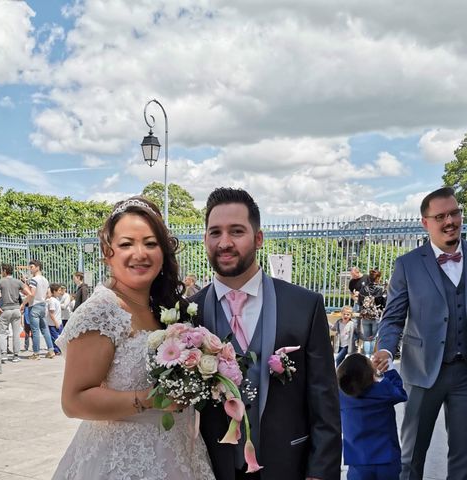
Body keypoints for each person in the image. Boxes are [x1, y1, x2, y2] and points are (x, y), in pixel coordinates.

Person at [53, 196, 214, 479]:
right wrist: (152, 400)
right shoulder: (101, 310)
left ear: (163, 251)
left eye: (150, 243)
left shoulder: (162, 307)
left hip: (178, 451)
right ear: (108, 252)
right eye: (127, 244)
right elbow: (74, 400)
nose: (140, 254)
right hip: (123, 461)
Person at [191, 187, 341, 480]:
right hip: (214, 469)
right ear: (205, 239)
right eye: (215, 232)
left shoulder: (304, 305)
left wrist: (321, 470)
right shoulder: (188, 313)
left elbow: (325, 398)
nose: (224, 242)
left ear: (258, 238)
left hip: (288, 465)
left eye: (236, 231)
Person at [372, 187, 467, 480]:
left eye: (454, 213)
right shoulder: (407, 264)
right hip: (422, 372)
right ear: (426, 222)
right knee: (410, 456)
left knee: (465, 456)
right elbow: (393, 317)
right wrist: (385, 349)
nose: (449, 221)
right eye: (440, 216)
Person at [338, 353, 407, 480]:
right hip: (387, 459)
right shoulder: (384, 389)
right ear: (370, 374)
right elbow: (401, 393)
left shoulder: (342, 396)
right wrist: (389, 371)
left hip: (358, 461)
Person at [0, 263, 27, 363]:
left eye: (1, 271)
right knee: (16, 333)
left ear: (4, 271)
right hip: (16, 309)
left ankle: (3, 354)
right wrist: (23, 304)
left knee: (3, 333)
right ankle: (16, 355)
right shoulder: (18, 281)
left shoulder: (0, 281)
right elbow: (29, 294)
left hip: (5, 309)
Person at [24, 260, 55, 360]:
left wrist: (23, 304)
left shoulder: (34, 280)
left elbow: (31, 294)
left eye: (32, 267)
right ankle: (51, 351)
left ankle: (36, 353)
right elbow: (49, 294)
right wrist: (42, 297)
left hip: (34, 306)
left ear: (37, 267)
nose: (30, 268)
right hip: (42, 305)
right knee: (44, 329)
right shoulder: (45, 280)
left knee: (35, 330)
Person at [358, 268, 386, 356]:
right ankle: (370, 358)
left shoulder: (363, 288)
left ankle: (367, 356)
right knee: (373, 338)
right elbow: (384, 303)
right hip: (376, 316)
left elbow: (359, 302)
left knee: (366, 338)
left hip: (365, 316)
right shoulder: (380, 289)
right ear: (378, 278)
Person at [47, 283, 63, 355]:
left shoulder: (56, 299)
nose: (60, 292)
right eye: (59, 290)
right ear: (54, 291)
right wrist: (56, 322)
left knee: (59, 337)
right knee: (55, 338)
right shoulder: (52, 301)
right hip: (53, 324)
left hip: (58, 322)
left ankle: (59, 350)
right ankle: (56, 350)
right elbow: (51, 313)